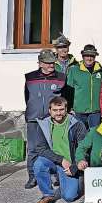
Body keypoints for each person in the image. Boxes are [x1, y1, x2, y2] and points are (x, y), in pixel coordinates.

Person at [32, 96, 87, 203]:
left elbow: (84, 147)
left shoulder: (77, 124)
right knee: (39, 164)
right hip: (54, 160)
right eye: (55, 110)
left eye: (61, 109)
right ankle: (47, 194)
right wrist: (61, 160)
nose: (58, 113)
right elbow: (40, 148)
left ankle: (74, 181)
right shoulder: (43, 125)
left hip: (70, 164)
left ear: (66, 109)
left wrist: (75, 166)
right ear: (50, 111)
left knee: (69, 197)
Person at [24, 49, 68, 189]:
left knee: (54, 147)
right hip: (33, 118)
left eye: (52, 62)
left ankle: (57, 175)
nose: (51, 65)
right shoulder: (29, 77)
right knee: (32, 149)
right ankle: (32, 176)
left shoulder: (61, 77)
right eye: (47, 63)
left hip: (52, 119)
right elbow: (27, 96)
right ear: (40, 63)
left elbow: (66, 98)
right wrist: (33, 109)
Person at [65, 44, 102, 129]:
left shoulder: (100, 69)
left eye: (92, 56)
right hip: (78, 111)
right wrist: (69, 108)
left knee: (94, 136)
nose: (89, 58)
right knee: (80, 136)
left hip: (95, 111)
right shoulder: (74, 69)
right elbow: (68, 91)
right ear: (83, 56)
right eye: (87, 56)